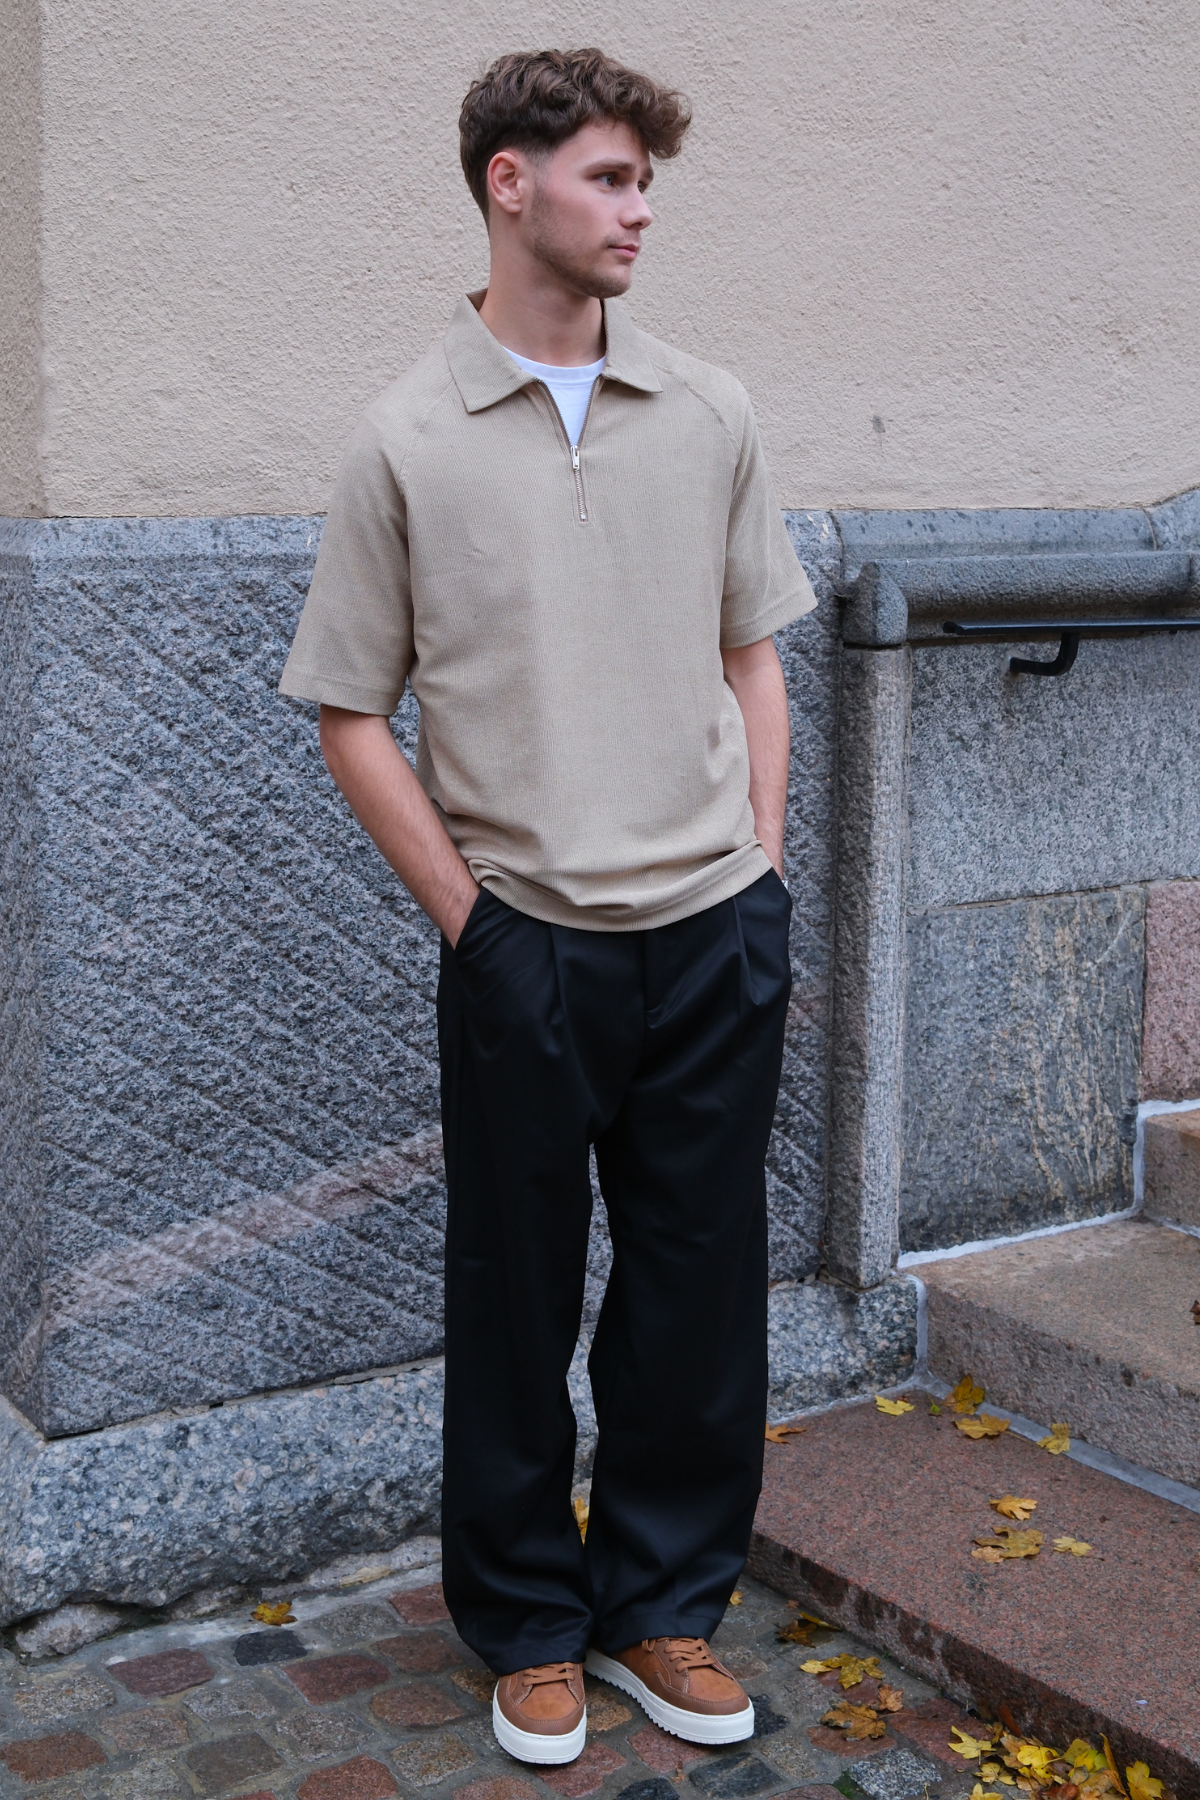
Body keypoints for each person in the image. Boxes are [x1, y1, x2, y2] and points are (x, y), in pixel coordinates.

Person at [279, 46, 815, 1767]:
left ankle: (662, 1608)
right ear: (510, 186)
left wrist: (764, 869)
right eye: (610, 177)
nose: (640, 210)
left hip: (712, 929)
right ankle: (526, 1624)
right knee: (515, 1297)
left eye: (646, 181)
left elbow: (754, 653)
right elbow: (348, 708)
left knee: (696, 1291)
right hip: (528, 944)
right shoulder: (408, 438)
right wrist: (475, 921)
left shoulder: (710, 410)